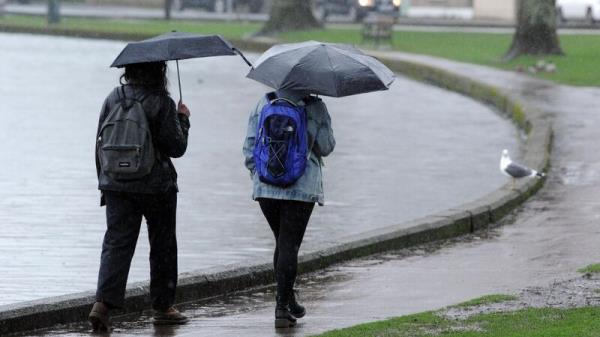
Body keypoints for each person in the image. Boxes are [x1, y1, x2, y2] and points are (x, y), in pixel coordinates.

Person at [89, 61, 191, 331]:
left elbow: (99, 141)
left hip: (116, 184)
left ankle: (103, 304)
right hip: (155, 186)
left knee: (117, 243)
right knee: (162, 246)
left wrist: (105, 182)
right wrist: (183, 119)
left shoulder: (113, 97)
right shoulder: (161, 101)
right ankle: (162, 306)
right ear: (158, 71)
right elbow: (176, 147)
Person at [243, 89, 335, 328]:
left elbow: (249, 148)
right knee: (288, 245)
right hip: (301, 188)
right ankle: (281, 308)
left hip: (266, 189)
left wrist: (259, 175)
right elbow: (326, 147)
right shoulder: (315, 107)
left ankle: (288, 299)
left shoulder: (262, 103)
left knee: (283, 243)